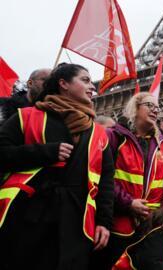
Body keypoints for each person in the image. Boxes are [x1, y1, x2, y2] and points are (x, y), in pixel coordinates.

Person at [0, 63, 114, 269]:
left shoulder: (99, 133)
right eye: (85, 80)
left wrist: (104, 222)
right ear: (63, 84)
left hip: (76, 221)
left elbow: (106, 180)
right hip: (28, 215)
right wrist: (45, 152)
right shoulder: (26, 116)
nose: (92, 87)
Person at [99, 92, 163, 268]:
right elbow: (103, 174)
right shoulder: (114, 136)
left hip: (151, 224)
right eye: (149, 105)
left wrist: (160, 214)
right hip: (118, 219)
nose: (155, 110)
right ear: (135, 108)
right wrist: (129, 203)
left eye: (157, 108)